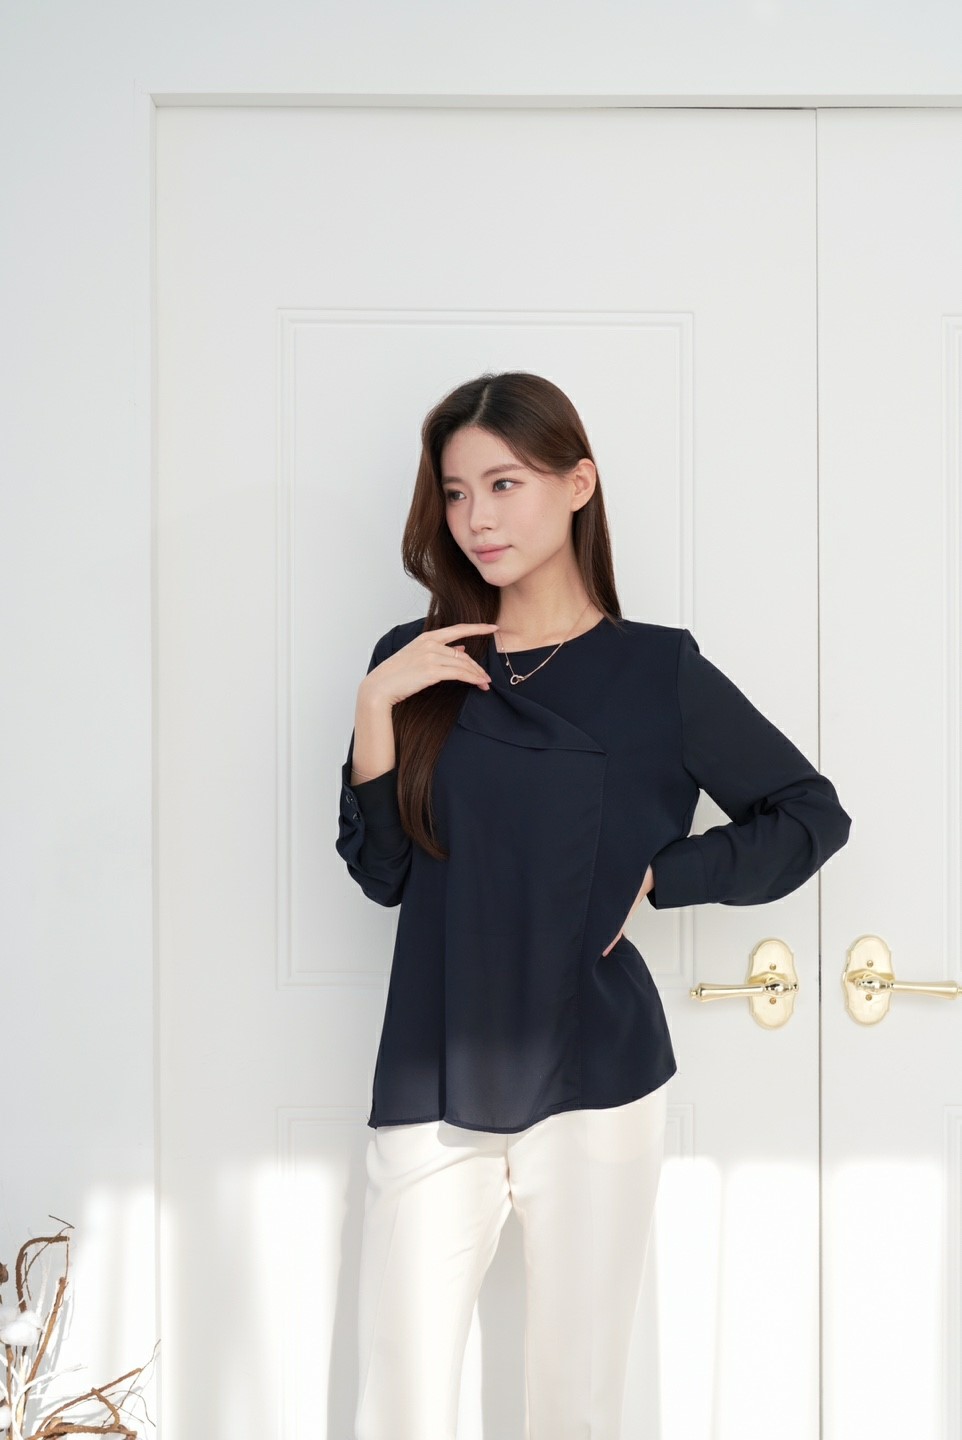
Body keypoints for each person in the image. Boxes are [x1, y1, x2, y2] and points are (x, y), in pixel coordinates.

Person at [336, 371, 852, 1440]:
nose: (475, 518)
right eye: (454, 492)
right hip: (432, 1062)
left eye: (504, 484)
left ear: (578, 485)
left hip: (596, 1074)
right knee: (401, 1402)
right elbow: (382, 873)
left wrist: (659, 876)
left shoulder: (656, 672)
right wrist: (376, 705)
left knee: (576, 1403)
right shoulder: (413, 660)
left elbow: (810, 815)